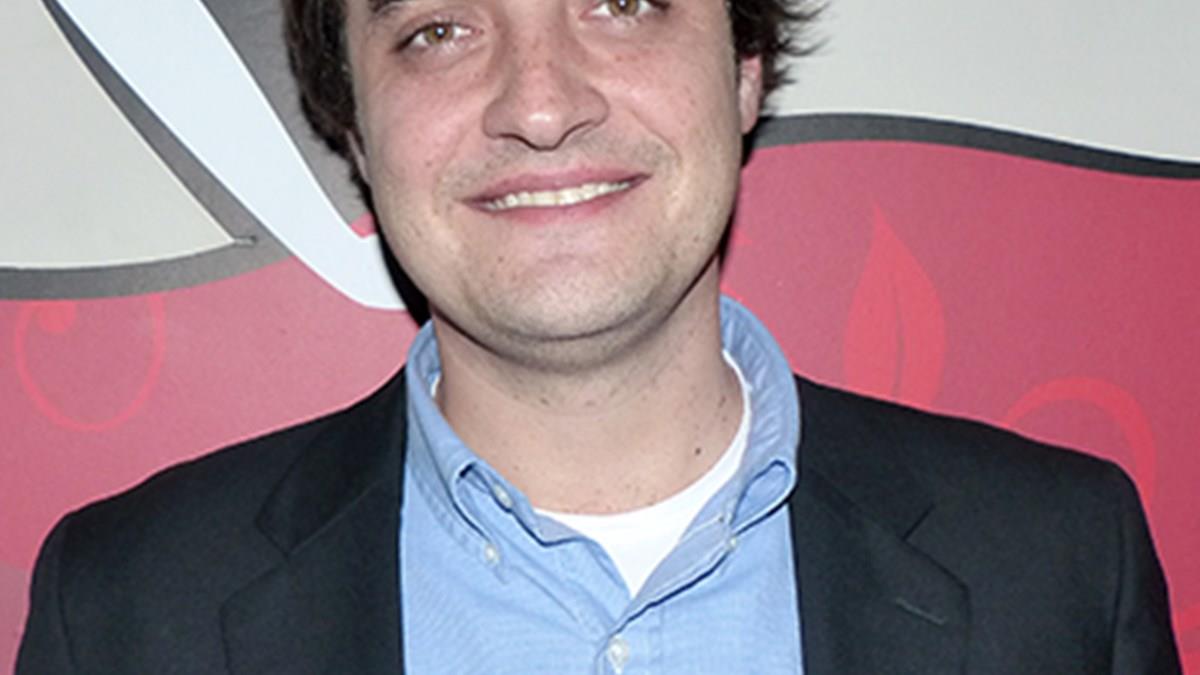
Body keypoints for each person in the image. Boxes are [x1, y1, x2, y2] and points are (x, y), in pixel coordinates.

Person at [18, 0, 1181, 672]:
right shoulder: (130, 610)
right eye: (438, 28)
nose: (541, 102)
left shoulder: (1059, 566)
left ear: (743, 68)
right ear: (354, 128)